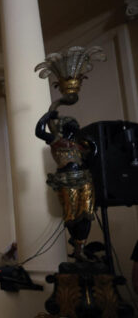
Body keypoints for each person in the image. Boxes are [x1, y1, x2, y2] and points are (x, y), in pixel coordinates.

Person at [36, 110, 96, 261]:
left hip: (85, 178)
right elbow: (39, 131)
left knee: (87, 215)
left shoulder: (80, 145)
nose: (74, 128)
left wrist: (93, 145)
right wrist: (47, 116)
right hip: (67, 179)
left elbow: (92, 158)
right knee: (72, 214)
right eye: (71, 126)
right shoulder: (56, 141)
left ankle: (80, 247)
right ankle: (77, 246)